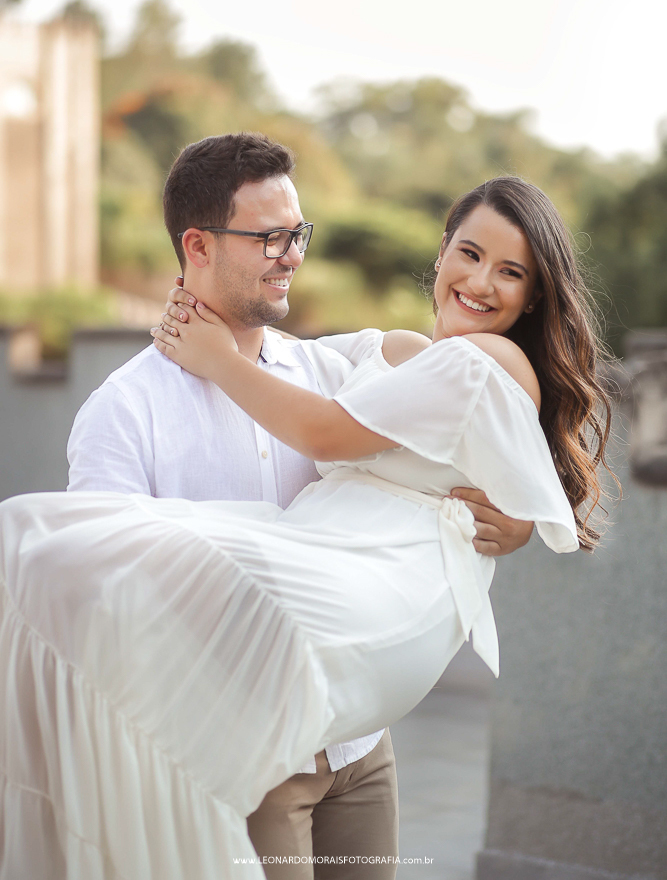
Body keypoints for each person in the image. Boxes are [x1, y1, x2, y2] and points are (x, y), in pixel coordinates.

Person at [0, 175, 614, 880]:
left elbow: (325, 431)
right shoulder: (140, 404)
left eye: (510, 272)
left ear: (534, 294)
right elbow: (104, 591)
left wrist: (217, 361)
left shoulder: (482, 360)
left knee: (90, 540)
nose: (480, 281)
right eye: (469, 254)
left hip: (356, 738)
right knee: (86, 543)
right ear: (441, 252)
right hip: (268, 746)